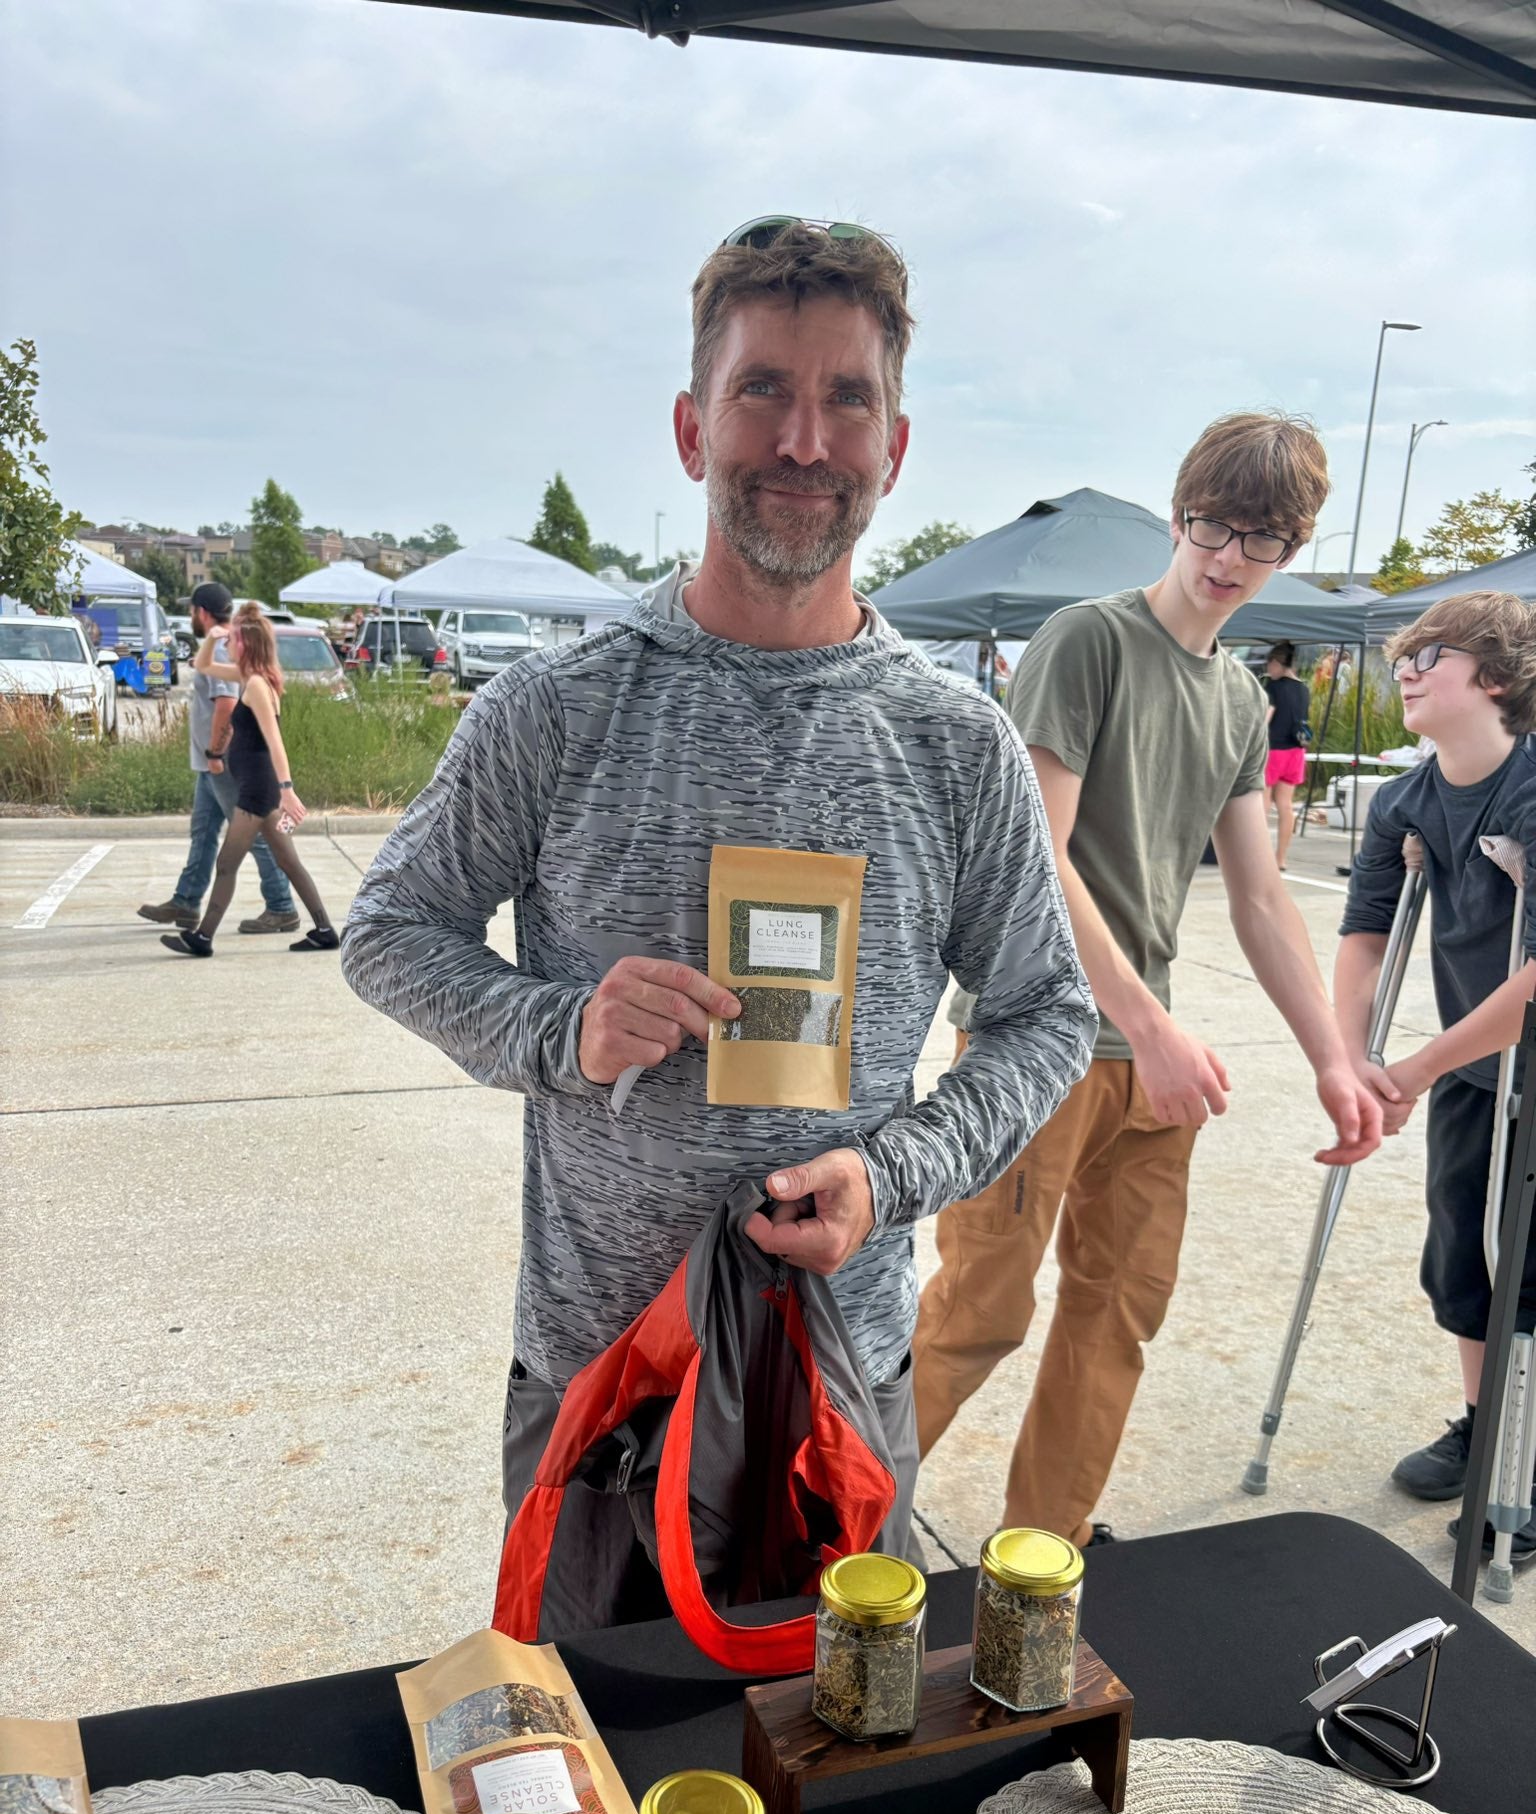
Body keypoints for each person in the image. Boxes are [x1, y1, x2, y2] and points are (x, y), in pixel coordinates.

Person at [342, 218, 1096, 1632]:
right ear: (694, 430)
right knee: (599, 1800)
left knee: (827, 1781)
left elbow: (1049, 1015)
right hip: (599, 1389)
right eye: (763, 391)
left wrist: (896, 1173)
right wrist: (560, 1027)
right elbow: (391, 932)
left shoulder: (955, 743)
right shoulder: (558, 707)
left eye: (846, 399)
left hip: (840, 1387)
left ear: (895, 447)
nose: (804, 439)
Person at [912, 412, 1386, 1550]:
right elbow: (1043, 859)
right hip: (1037, 1039)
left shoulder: (1239, 699)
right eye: (1211, 524)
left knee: (1116, 1316)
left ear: (1292, 547)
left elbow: (1264, 898)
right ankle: (813, 1523)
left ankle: (1042, 1558)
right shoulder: (1090, 640)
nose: (1227, 556)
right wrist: (1149, 1028)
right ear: (1178, 515)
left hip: (1149, 1064)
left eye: (1260, 537)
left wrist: (1334, 1056)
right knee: (979, 1309)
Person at [1337, 592, 1536, 1561]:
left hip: (1519, 1060)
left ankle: (1526, 1463)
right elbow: (1365, 932)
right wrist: (1353, 1058)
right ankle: (1483, 1423)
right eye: (1404, 656)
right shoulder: (1405, 800)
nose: (1407, 669)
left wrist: (1415, 1062)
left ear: (1494, 677)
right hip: (1472, 1070)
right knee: (1465, 1255)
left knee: (1529, 1269)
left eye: (1432, 654)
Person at [160, 603, 338, 958]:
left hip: (258, 790)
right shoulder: (249, 675)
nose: (229, 642)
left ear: (245, 643)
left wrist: (287, 791)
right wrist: (212, 638)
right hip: (260, 787)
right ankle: (325, 930)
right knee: (289, 861)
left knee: (227, 864)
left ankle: (202, 937)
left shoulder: (256, 684)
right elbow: (202, 665)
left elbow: (275, 741)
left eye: (233, 638)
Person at [137, 582, 299, 936]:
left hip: (222, 763)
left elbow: (225, 705)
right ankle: (186, 901)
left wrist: (214, 753)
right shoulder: (222, 644)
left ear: (202, 612)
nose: (191, 616)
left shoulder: (231, 651)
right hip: (209, 764)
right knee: (204, 833)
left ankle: (281, 906)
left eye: (193, 610)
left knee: (252, 838)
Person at [1262, 640, 1311, 870]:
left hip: (1273, 751)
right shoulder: (1303, 689)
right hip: (1296, 752)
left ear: (1277, 663)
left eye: (1269, 664)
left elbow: (1266, 718)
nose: (1268, 670)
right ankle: (1280, 858)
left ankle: (1258, 857)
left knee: (1261, 806)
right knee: (1285, 806)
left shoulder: (1272, 687)